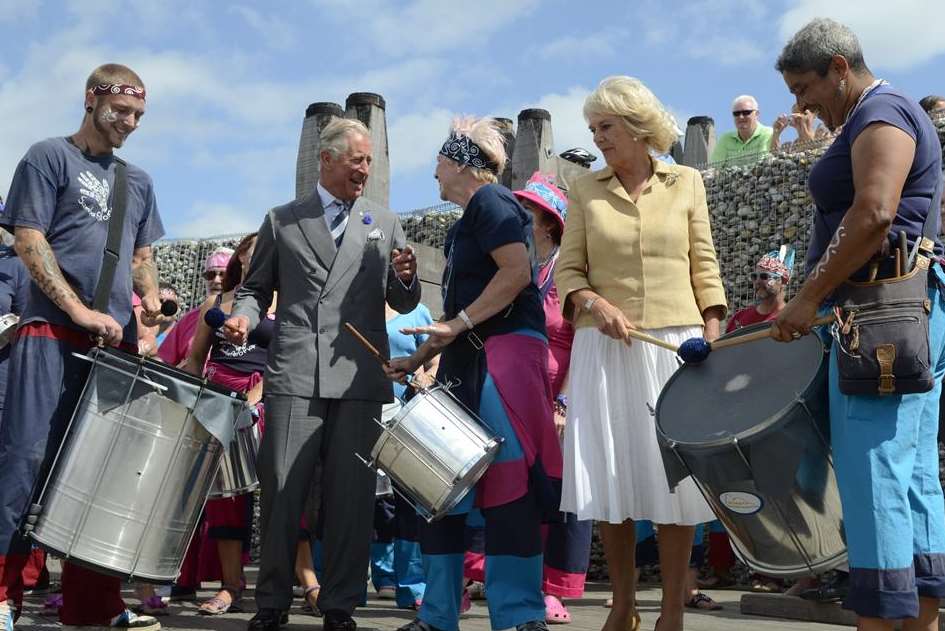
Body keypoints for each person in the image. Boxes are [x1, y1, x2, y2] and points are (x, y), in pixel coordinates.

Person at [772, 17, 945, 630]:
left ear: (840, 67)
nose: (801, 105)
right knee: (913, 471)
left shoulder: (882, 114)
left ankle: (878, 621)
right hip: (907, 313)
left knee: (874, 473)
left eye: (804, 88)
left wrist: (806, 296)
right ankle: (918, 618)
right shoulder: (879, 114)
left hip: (879, 316)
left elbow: (874, 213)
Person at [223, 116, 419, 631]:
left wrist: (407, 277)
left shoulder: (384, 221)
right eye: (357, 159)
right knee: (283, 490)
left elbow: (402, 298)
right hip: (295, 375)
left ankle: (340, 605)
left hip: (358, 379)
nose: (365, 170)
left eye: (370, 160)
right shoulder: (282, 219)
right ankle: (271, 602)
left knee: (352, 499)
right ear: (326, 159)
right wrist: (244, 316)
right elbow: (254, 288)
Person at [555, 76, 727, 631]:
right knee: (612, 477)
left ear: (636, 127)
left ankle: (672, 611)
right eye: (593, 129)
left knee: (673, 482)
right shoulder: (584, 189)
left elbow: (705, 262)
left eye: (606, 126)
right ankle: (624, 605)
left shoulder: (688, 183)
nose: (598, 137)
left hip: (675, 349)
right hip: (604, 345)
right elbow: (568, 271)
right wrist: (591, 303)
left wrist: (714, 330)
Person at [0, 63, 166, 631]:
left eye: (139, 115)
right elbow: (28, 239)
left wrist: (147, 315)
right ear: (92, 99)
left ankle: (94, 606)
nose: (129, 122)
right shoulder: (48, 157)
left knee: (98, 473)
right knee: (25, 464)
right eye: (121, 110)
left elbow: (142, 259)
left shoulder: (138, 181)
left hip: (112, 345)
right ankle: (4, 598)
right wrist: (78, 309)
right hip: (50, 331)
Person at [385, 116, 562, 631]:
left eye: (440, 162)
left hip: (503, 361)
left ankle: (518, 614)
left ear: (463, 164)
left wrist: (457, 323)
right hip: (467, 362)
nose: (435, 173)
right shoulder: (464, 222)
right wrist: (413, 363)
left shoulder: (494, 202)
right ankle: (437, 614)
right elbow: (456, 318)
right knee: (440, 490)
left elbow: (516, 273)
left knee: (510, 490)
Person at [512, 172, 593, 625]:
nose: (520, 219)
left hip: (559, 397)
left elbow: (583, 341)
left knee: (558, 494)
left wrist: (564, 401)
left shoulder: (569, 272)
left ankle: (551, 586)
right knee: (517, 491)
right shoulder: (521, 265)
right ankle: (514, 578)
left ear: (548, 223)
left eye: (528, 212)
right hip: (520, 393)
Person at [370, 302, 438, 609]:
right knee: (364, 502)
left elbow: (435, 360)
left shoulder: (418, 312)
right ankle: (352, 583)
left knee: (409, 503)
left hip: (407, 417)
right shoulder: (353, 305)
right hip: (362, 413)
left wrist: (426, 377)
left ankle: (411, 586)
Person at [157, 247, 232, 368]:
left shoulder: (245, 316)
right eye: (210, 275)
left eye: (223, 274)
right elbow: (163, 361)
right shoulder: (190, 318)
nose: (216, 280)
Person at [726, 246, 794, 331]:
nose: (757, 281)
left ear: (783, 281)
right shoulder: (738, 319)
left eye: (764, 276)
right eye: (754, 276)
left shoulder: (792, 319)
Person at [710, 95, 774, 165]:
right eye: (736, 113)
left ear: (757, 114)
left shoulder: (768, 133)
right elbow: (714, 168)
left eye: (746, 112)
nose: (741, 117)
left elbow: (762, 165)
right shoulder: (725, 138)